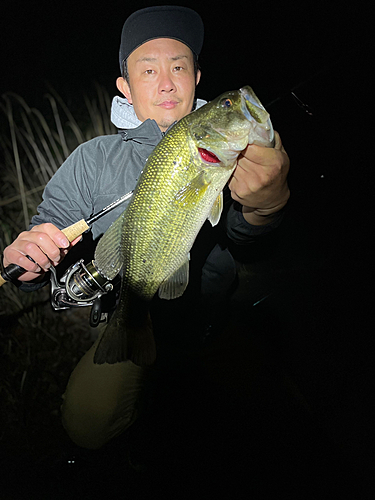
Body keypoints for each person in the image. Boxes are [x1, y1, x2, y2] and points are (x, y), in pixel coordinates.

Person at [2, 6, 290, 449]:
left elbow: (247, 241)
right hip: (131, 315)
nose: (167, 81)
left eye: (179, 66)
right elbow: (47, 230)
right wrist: (30, 257)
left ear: (196, 76)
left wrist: (267, 208)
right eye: (148, 69)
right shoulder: (92, 159)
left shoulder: (233, 156)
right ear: (125, 86)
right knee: (87, 422)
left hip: (212, 319)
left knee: (263, 420)